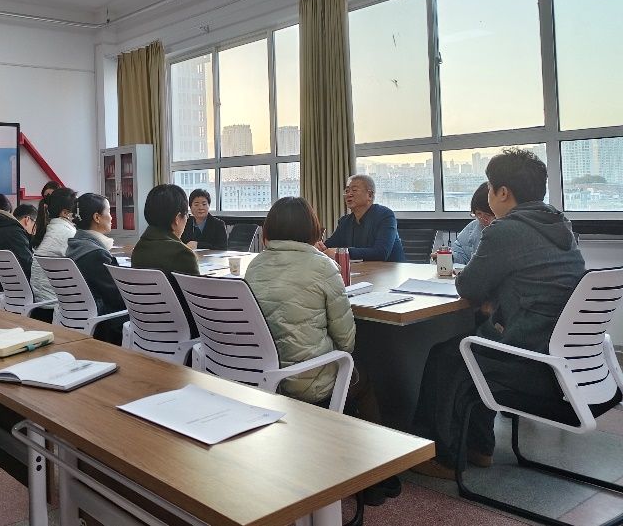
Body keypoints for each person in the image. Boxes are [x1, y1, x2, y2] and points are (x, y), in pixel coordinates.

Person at [411, 148, 586, 480]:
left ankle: (441, 457)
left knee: (446, 356)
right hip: (561, 356)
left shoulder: (506, 230)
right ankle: (480, 447)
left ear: (503, 192)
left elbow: (468, 287)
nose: (489, 195)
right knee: (475, 338)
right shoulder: (559, 225)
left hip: (527, 359)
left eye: (490, 188)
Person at [244, 196, 397, 505]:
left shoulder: (255, 266)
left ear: (269, 229)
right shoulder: (322, 266)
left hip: (264, 377)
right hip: (306, 381)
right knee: (360, 377)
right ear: (312, 229)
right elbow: (347, 342)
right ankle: (376, 480)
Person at [131, 184, 199, 337]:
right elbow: (196, 306)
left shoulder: (139, 248)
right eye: (186, 215)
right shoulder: (182, 254)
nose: (186, 220)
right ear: (177, 218)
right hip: (181, 331)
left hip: (146, 329)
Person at [65, 193, 126, 345]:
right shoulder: (95, 254)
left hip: (80, 316)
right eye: (109, 212)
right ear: (97, 217)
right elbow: (117, 297)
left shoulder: (75, 245)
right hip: (104, 322)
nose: (111, 217)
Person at [316, 174, 405, 262]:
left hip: (389, 269)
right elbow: (328, 246)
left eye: (354, 190)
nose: (349, 194)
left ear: (370, 195)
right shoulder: (345, 222)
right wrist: (319, 247)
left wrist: (342, 252)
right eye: (347, 191)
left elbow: (381, 253)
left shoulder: (385, 215)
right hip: (361, 269)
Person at [29, 187, 78, 302]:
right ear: (65, 213)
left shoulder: (50, 228)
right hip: (56, 302)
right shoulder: (68, 233)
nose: (79, 213)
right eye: (76, 209)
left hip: (41, 300)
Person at [451, 182, 495, 264]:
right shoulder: (473, 227)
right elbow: (462, 255)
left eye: (488, 215)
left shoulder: (506, 229)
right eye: (478, 213)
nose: (483, 219)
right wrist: (449, 257)